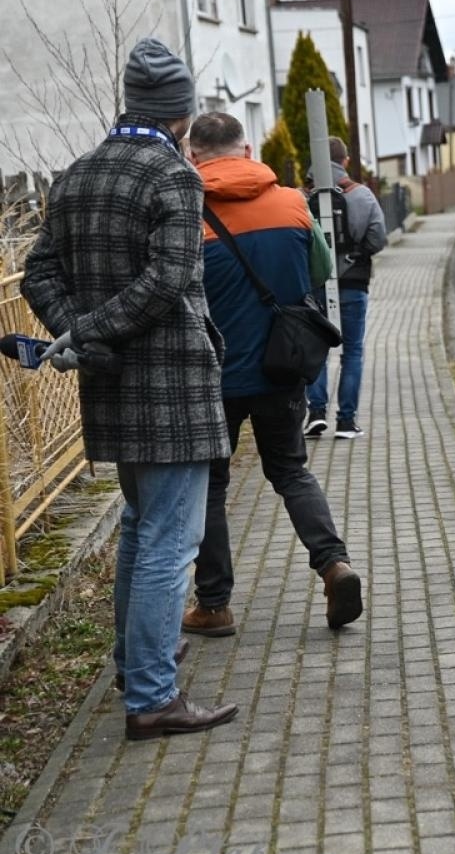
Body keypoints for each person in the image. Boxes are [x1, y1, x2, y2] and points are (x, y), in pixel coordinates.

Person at [22, 38, 239, 741]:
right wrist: (95, 333)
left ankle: (133, 665)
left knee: (144, 532)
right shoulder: (174, 176)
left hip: (112, 387)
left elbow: (38, 274)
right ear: (180, 114)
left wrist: (79, 333)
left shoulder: (78, 172)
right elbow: (169, 279)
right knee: (170, 542)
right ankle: (151, 695)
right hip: (171, 386)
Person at [181, 113, 365, 637]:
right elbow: (321, 272)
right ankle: (334, 565)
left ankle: (214, 606)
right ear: (247, 149)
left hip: (212, 374)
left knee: (211, 486)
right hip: (283, 366)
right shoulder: (291, 202)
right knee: (290, 471)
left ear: (194, 157)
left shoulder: (186, 212)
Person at [305, 136, 387, 440]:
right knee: (352, 352)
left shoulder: (300, 197)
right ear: (346, 162)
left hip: (313, 285)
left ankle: (315, 414)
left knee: (316, 351)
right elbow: (378, 238)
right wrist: (355, 254)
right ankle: (346, 421)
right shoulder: (362, 196)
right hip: (353, 283)